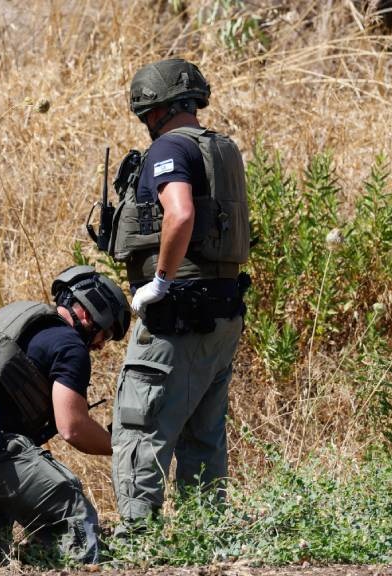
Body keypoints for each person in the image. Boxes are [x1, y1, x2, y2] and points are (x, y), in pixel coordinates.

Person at [108, 59, 250, 530]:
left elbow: (181, 214)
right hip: (223, 310)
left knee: (139, 424)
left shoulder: (168, 147)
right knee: (203, 432)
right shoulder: (223, 149)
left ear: (155, 109)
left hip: (179, 313)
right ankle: (202, 535)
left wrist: (160, 280)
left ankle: (139, 540)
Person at [0, 265, 131, 566]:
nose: (101, 345)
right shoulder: (70, 346)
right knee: (73, 514)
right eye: (106, 333)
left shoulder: (18, 326)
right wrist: (123, 448)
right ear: (94, 315)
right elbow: (73, 428)